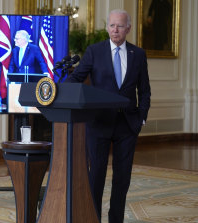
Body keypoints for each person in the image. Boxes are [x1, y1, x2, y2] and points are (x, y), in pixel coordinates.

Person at [65, 9, 151, 223]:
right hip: (99, 123)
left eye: (120, 26)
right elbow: (76, 78)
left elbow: (145, 90)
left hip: (127, 124)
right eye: (112, 25)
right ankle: (93, 218)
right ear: (107, 28)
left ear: (128, 29)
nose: (115, 30)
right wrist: (59, 92)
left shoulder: (138, 54)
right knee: (96, 177)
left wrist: (141, 117)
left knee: (122, 179)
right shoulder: (94, 51)